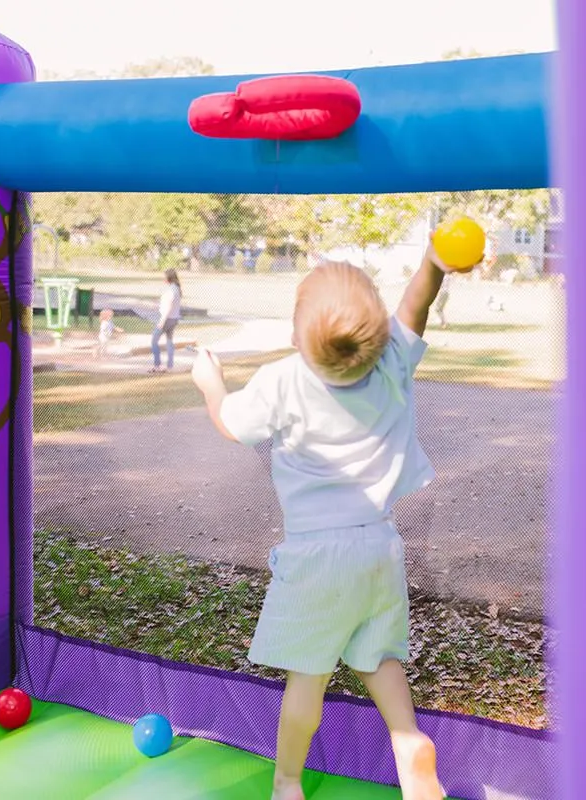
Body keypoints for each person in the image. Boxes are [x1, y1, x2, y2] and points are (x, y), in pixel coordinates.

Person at [191, 238, 479, 800]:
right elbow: (415, 310)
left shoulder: (283, 381)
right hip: (379, 546)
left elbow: (231, 423)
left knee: (309, 673)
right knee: (380, 657)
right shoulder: (391, 362)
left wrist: (212, 385)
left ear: (298, 338)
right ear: (377, 339)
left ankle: (288, 779)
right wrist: (432, 264)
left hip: (317, 557)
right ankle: (407, 741)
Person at [150, 268, 182, 373]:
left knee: (154, 340)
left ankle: (157, 364)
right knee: (169, 341)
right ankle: (169, 366)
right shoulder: (176, 288)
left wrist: (162, 321)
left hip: (167, 318)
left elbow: (169, 306)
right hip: (174, 318)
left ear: (169, 278)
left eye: (164, 277)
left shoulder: (171, 290)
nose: (163, 278)